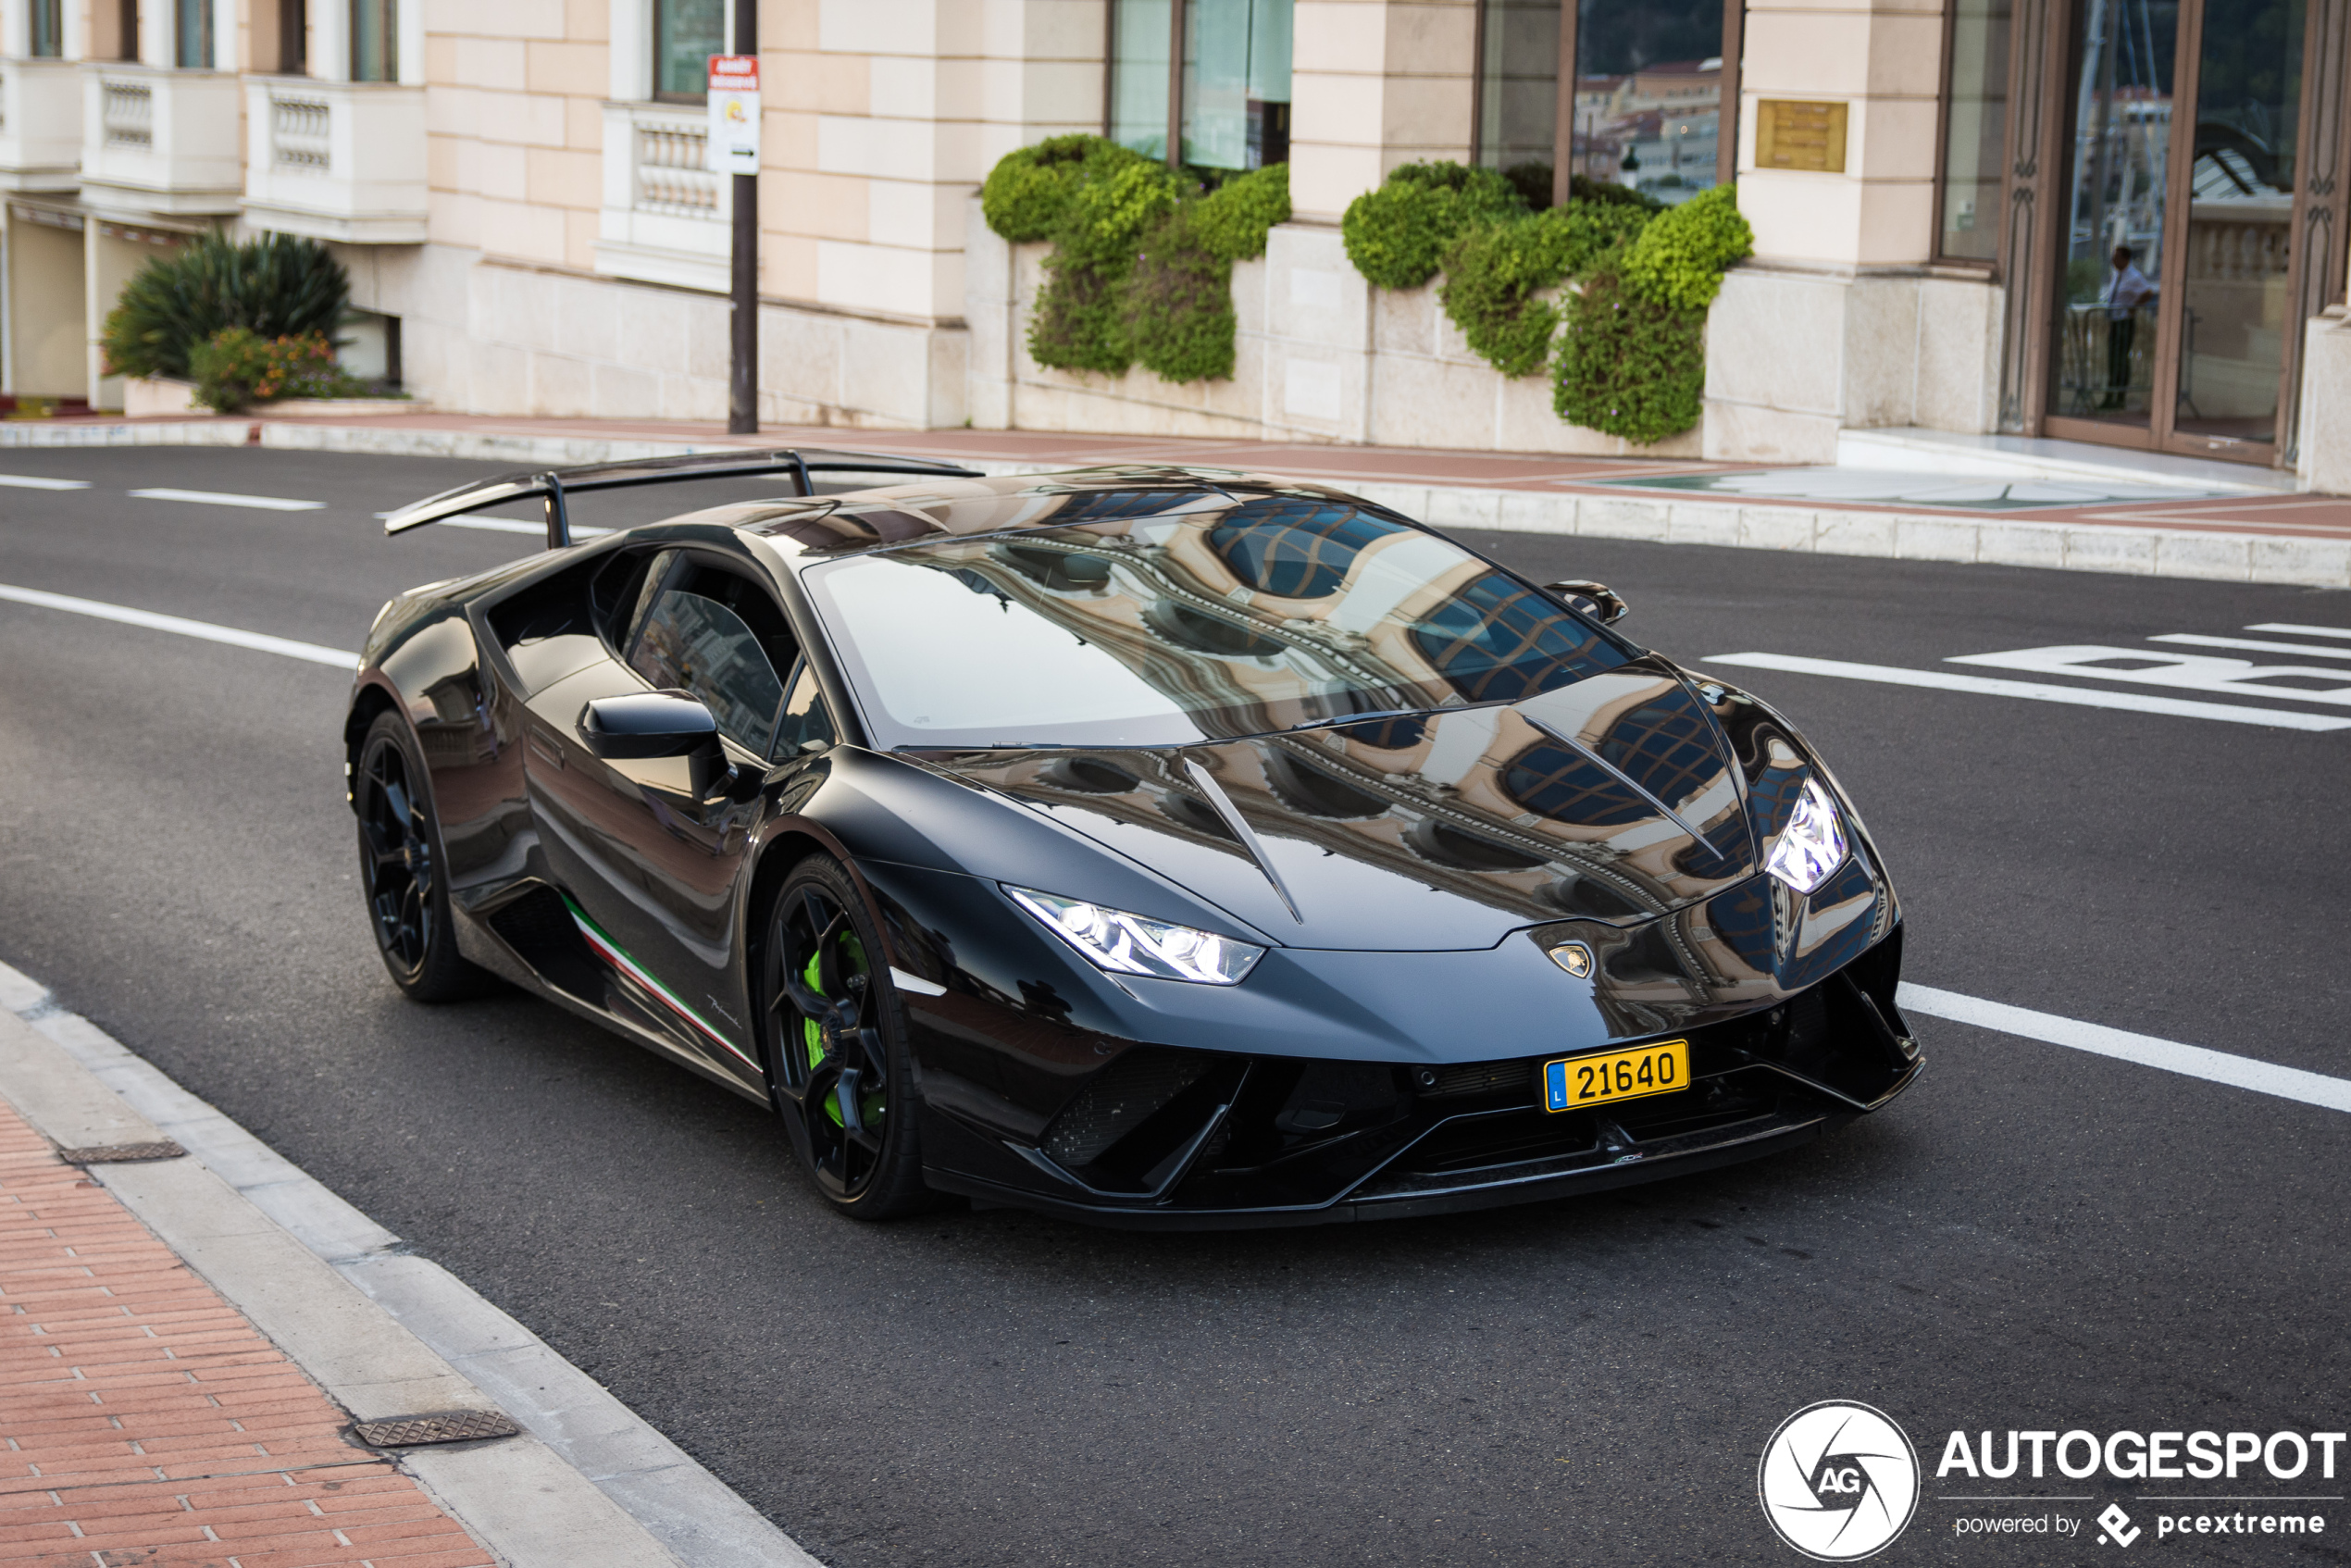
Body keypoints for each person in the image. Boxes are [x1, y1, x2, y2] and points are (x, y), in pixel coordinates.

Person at [2101, 244, 2158, 410]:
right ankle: (2110, 395)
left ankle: (2119, 396)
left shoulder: (2134, 276)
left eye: (2116, 257)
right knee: (2113, 359)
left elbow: (2148, 293)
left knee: (2120, 360)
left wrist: (2133, 307)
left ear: (2125, 259)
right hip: (2115, 321)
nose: (2113, 260)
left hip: (2124, 321)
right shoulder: (2118, 276)